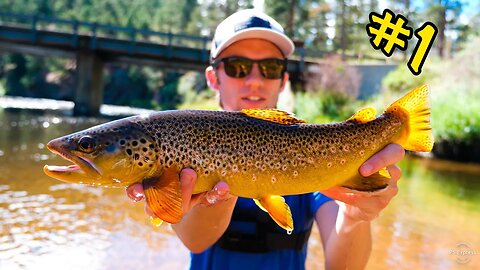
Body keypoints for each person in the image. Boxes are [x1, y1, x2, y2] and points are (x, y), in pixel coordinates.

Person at [126, 9, 405, 270]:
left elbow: (342, 265)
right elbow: (196, 241)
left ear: (283, 80)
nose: (255, 80)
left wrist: (355, 216)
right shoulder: (179, 142)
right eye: (237, 67)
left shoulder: (310, 150)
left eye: (270, 68)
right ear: (213, 78)